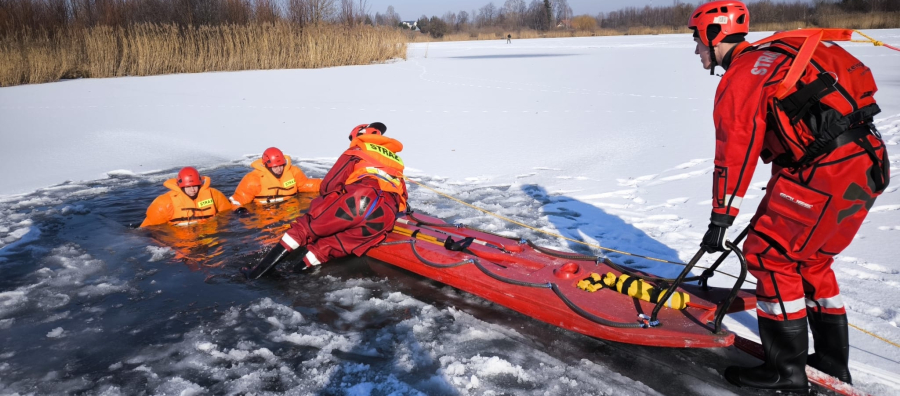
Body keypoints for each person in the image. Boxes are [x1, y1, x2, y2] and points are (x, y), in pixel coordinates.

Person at [689, 1, 889, 392]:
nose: (696, 51)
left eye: (697, 41)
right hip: (866, 160)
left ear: (714, 37)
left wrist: (721, 218)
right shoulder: (776, 56)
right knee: (812, 260)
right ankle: (832, 363)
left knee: (770, 256)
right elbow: (802, 128)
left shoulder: (743, 75)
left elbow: (736, 152)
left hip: (827, 172)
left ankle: (785, 372)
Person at [241, 122, 408, 279]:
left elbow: (330, 184)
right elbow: (403, 199)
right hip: (386, 214)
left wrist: (326, 206)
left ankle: (257, 274)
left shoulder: (359, 148)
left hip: (358, 199)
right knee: (330, 245)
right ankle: (293, 274)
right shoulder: (396, 161)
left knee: (304, 229)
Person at [140, 167, 234, 227]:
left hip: (209, 236)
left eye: (195, 186)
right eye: (188, 187)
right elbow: (148, 228)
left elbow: (228, 212)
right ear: (180, 185)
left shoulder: (214, 195)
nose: (192, 190)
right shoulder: (164, 202)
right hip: (180, 241)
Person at [230, 147, 322, 207]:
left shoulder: (293, 172)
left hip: (290, 210)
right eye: (275, 167)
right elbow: (238, 200)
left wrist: (326, 184)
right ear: (266, 165)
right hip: (265, 215)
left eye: (281, 165)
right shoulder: (253, 179)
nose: (279, 169)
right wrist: (240, 210)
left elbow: (306, 184)